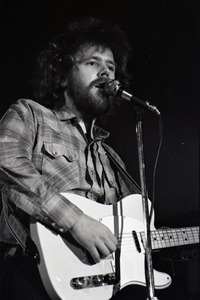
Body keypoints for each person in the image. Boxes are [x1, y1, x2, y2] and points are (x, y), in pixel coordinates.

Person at [0, 17, 140, 299]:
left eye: (111, 67)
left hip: (95, 283)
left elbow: (132, 230)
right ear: (63, 75)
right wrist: (75, 221)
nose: (106, 73)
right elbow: (6, 161)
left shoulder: (110, 158)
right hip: (32, 275)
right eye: (93, 63)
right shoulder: (30, 114)